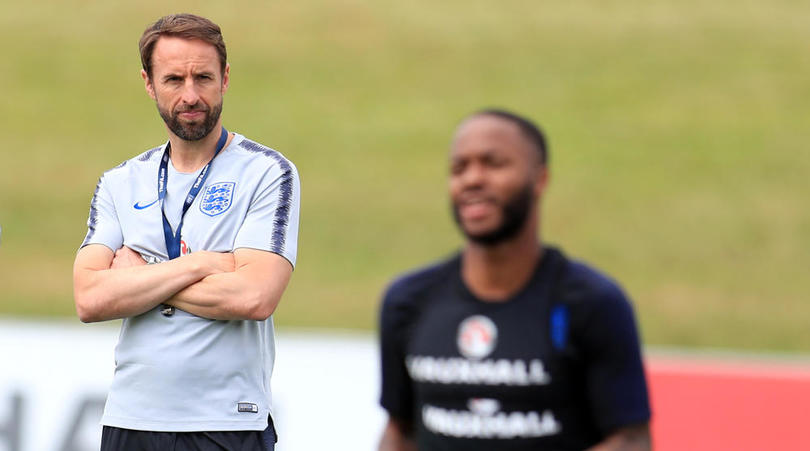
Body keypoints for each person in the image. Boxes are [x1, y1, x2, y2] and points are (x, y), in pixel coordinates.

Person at [72, 14, 299, 451]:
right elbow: (90, 298)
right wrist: (198, 264)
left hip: (228, 423)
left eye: (203, 77)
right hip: (130, 421)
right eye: (174, 79)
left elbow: (253, 298)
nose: (190, 95)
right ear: (149, 83)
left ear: (225, 78)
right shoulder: (121, 182)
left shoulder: (267, 172)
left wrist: (139, 277)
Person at [377, 109, 651, 450]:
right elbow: (399, 431)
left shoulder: (593, 302)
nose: (472, 179)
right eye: (458, 168)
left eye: (494, 163)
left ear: (540, 179)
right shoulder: (408, 301)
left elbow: (633, 438)